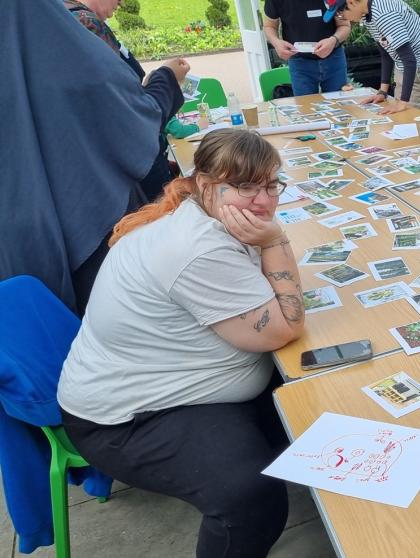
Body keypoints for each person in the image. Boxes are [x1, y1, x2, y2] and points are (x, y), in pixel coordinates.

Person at [57, 129, 305, 558]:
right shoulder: (197, 248)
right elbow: (285, 327)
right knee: (250, 495)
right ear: (208, 186)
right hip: (130, 418)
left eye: (270, 185)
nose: (263, 201)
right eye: (246, 187)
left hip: (176, 386)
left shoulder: (199, 215)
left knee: (317, 413)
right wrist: (276, 240)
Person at [1, 0, 183, 315]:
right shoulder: (55, 32)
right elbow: (131, 114)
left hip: (20, 237)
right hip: (89, 223)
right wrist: (166, 78)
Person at [64, 0, 189, 201]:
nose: (122, 2)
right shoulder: (86, 24)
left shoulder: (63, 20)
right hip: (129, 180)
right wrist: (167, 77)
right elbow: (130, 115)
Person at [333, 0, 420, 115]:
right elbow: (386, 52)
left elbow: (409, 59)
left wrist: (402, 103)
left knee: (413, 122)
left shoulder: (384, 15)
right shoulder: (367, 13)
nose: (344, 18)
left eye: (341, 14)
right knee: (400, 120)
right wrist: (382, 91)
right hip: (406, 70)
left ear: (351, 2)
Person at [264, 0, 351, 95]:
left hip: (334, 59)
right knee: (305, 106)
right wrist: (276, 43)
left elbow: (344, 25)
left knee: (339, 105)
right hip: (299, 62)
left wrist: (333, 40)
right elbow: (269, 26)